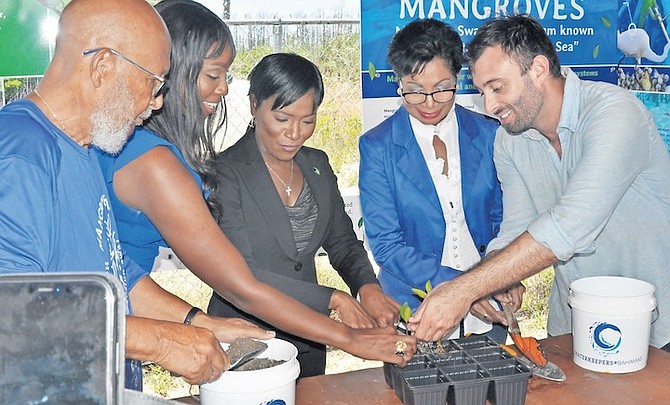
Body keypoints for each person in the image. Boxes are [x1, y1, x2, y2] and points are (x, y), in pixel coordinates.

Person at [94, 0, 416, 373]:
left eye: (225, 76)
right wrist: (346, 333)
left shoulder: (142, 149)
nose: (221, 89)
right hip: (112, 326)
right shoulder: (158, 164)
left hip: (121, 315)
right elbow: (240, 282)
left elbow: (125, 278)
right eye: (214, 75)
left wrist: (198, 324)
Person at [0, 0, 272, 391]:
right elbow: (13, 318)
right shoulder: (18, 156)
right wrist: (159, 342)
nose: (157, 101)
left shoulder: (85, 148)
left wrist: (198, 322)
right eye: (153, 81)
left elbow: (113, 274)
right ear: (103, 67)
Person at [408, 14, 670, 351]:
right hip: (575, 329)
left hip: (657, 329)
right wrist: (499, 278)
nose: (490, 106)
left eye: (497, 87)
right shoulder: (510, 140)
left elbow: (569, 227)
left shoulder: (616, 113)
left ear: (539, 69)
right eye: (482, 91)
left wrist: (467, 287)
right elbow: (516, 228)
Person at [207, 52, 399, 377]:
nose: (295, 133)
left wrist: (367, 287)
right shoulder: (224, 173)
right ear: (254, 105)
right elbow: (242, 272)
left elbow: (342, 242)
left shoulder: (317, 166)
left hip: (309, 340)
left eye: (307, 120)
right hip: (244, 340)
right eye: (282, 119)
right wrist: (332, 299)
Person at [358, 18, 518, 342]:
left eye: (442, 88)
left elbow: (504, 220)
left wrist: (504, 275)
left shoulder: (488, 135)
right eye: (415, 92)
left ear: (459, 78)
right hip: (415, 309)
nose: (430, 103)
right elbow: (386, 245)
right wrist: (465, 288)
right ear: (399, 82)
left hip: (488, 309)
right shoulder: (378, 146)